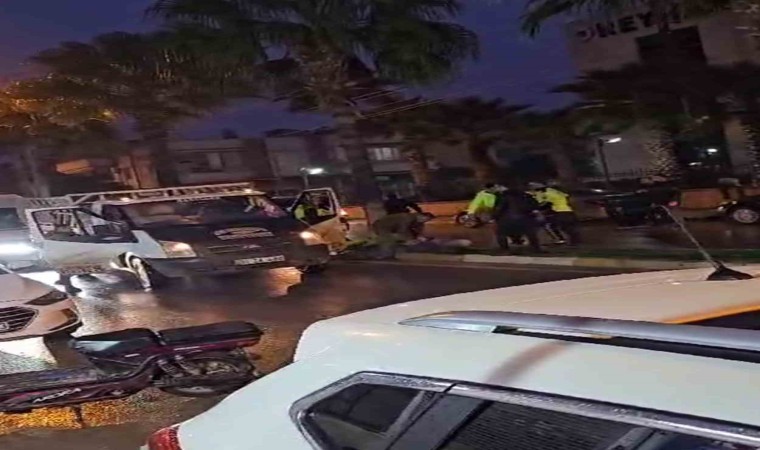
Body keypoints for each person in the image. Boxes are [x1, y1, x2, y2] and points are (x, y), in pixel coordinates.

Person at [492, 186, 542, 253]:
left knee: (501, 233)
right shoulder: (527, 196)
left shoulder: (504, 197)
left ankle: (504, 249)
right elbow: (535, 207)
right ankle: (536, 248)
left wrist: (494, 217)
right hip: (525, 219)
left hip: (508, 220)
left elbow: (499, 209)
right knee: (531, 233)